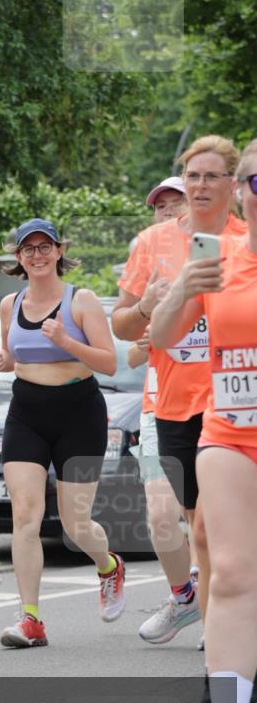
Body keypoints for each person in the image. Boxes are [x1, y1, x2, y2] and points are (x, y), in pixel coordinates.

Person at [150, 139, 257, 703]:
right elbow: (161, 336)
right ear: (244, 191)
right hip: (230, 432)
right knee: (233, 574)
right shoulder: (220, 260)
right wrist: (181, 290)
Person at [112, 136, 245, 650]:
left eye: (212, 176)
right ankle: (215, 622)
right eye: (192, 176)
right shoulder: (153, 243)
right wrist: (147, 306)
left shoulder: (246, 238)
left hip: (232, 403)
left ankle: (226, 639)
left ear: (233, 184)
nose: (200, 185)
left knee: (216, 529)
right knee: (196, 528)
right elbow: (124, 328)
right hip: (171, 404)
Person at [0, 217, 124, 649]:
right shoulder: (10, 305)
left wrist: (67, 341)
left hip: (79, 413)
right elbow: (15, 356)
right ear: (18, 257)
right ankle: (30, 619)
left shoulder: (80, 301)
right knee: (25, 515)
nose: (38, 255)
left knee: (75, 524)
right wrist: (2, 363)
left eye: (45, 246)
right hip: (26, 412)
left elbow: (108, 363)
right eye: (29, 249)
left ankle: (109, 566)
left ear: (59, 252)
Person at [125, 175, 202, 643]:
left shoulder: (220, 256)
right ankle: (185, 597)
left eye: (178, 202)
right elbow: (131, 349)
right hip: (160, 406)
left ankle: (224, 609)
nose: (169, 211)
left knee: (208, 521)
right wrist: (146, 318)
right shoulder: (150, 266)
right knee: (160, 515)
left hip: (215, 404)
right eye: (161, 205)